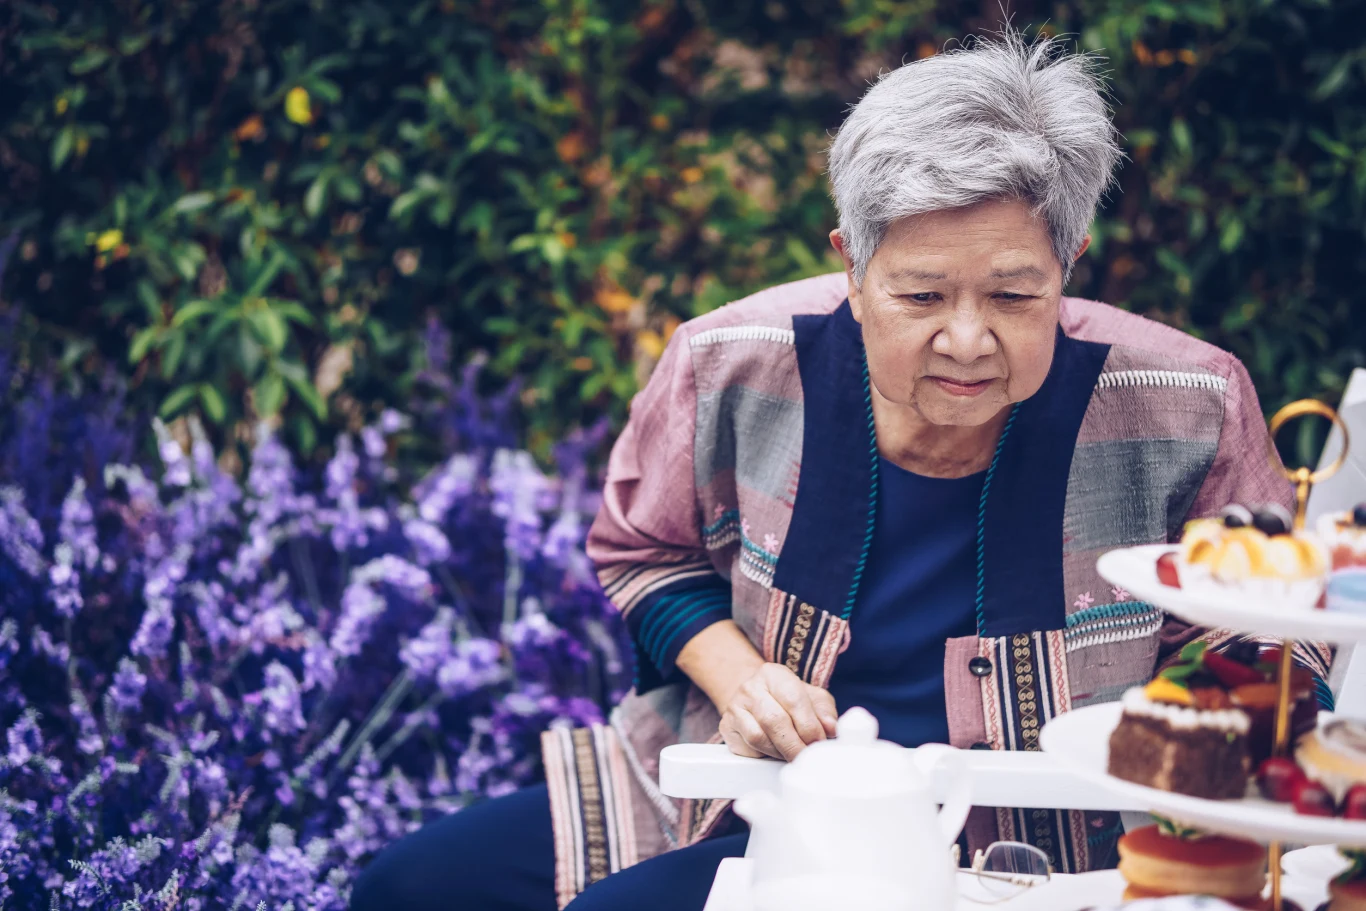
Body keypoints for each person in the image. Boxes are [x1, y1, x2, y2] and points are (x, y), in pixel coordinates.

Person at [351, 30, 1329, 911]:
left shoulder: (1187, 399)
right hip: (754, 786)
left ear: (1068, 261)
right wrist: (740, 677)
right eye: (919, 292)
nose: (965, 338)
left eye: (1013, 293)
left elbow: (1263, 650)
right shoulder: (728, 361)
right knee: (408, 886)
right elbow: (640, 547)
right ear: (849, 266)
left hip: (1045, 824)